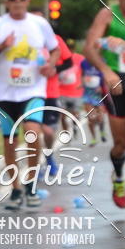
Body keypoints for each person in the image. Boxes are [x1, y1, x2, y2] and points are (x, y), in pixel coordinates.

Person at [0, 0, 59, 210]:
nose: (16, 1)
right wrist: (0, 48)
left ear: (27, 0)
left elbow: (55, 49)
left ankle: (31, 183)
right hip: (5, 93)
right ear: (6, 2)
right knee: (10, 141)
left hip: (33, 90)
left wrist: (50, 65)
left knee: (33, 133)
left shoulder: (39, 23)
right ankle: (15, 189)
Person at [84, 0, 125, 218]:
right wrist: (106, 71)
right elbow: (89, 47)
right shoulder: (107, 14)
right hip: (117, 82)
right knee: (121, 144)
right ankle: (118, 177)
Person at [30, 9, 73, 177]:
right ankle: (35, 166)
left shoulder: (55, 41)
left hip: (50, 92)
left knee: (48, 132)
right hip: (29, 93)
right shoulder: (24, 41)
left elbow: (68, 61)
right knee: (33, 132)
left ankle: (48, 157)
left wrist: (55, 69)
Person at [57, 40, 84, 139]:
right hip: (61, 91)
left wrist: (82, 83)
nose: (69, 50)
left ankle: (75, 126)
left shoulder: (80, 58)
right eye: (67, 47)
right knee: (62, 114)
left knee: (75, 113)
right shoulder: (59, 58)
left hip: (75, 91)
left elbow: (86, 71)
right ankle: (66, 133)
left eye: (71, 48)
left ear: (74, 48)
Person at [80, 57, 107, 145]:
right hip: (87, 94)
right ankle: (94, 138)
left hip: (98, 94)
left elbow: (105, 76)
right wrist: (82, 81)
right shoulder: (84, 62)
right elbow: (81, 74)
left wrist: (102, 87)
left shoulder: (102, 60)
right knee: (91, 117)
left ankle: (102, 131)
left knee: (100, 117)